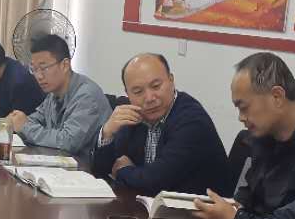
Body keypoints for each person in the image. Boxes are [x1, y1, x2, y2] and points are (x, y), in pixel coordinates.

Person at [193, 52, 295, 219]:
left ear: (277, 96)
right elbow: (247, 199)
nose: (241, 117)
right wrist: (232, 209)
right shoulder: (264, 137)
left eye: (244, 107)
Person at [92, 52, 228, 195]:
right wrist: (107, 132)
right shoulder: (133, 115)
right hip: (148, 205)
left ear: (171, 80)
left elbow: (156, 182)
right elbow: (100, 171)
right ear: (128, 93)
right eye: (138, 91)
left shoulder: (192, 120)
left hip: (196, 207)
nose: (149, 98)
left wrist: (122, 170)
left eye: (156, 86)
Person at [4, 34, 110, 160]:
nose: (38, 76)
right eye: (34, 69)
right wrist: (18, 120)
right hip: (59, 162)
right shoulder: (53, 93)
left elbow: (68, 142)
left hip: (85, 167)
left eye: (43, 68)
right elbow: (35, 119)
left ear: (65, 65)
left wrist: (25, 127)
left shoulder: (86, 96)